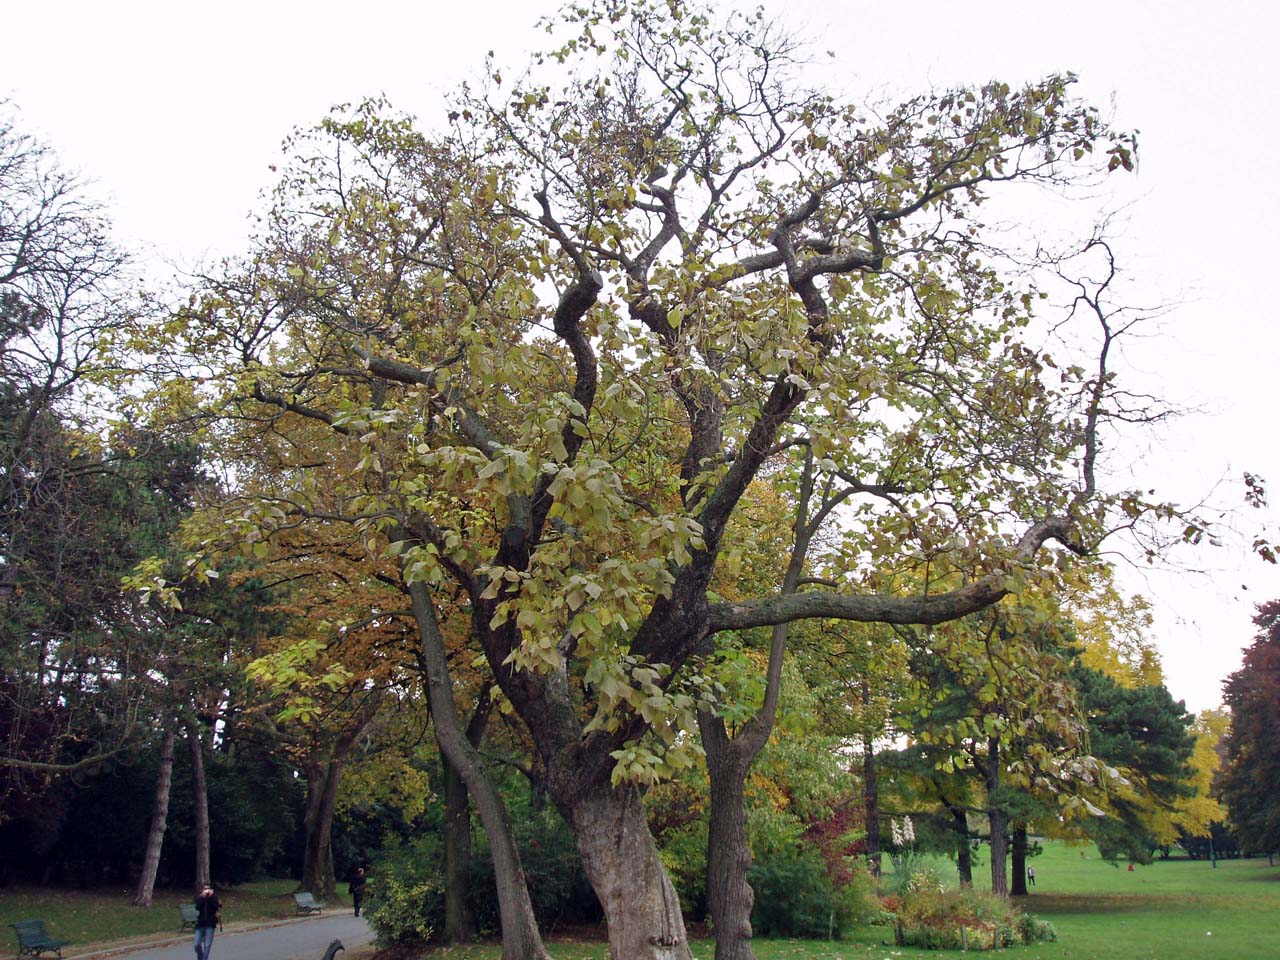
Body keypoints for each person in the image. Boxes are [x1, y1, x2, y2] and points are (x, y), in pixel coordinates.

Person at [193, 885, 221, 960]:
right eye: (205, 889)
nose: (207, 891)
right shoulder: (200, 897)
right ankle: (201, 958)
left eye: (208, 889)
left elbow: (216, 907)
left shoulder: (214, 898)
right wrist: (202, 897)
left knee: (207, 945)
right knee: (196, 944)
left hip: (210, 924)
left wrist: (211, 897)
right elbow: (197, 907)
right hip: (200, 923)